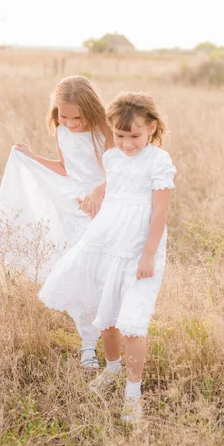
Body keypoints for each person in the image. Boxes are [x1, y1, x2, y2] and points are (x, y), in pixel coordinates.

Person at [39, 92, 176, 422]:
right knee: (107, 315)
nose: (127, 144)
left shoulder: (159, 162)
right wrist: (96, 196)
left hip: (141, 250)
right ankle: (112, 370)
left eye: (135, 136)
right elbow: (113, 188)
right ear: (111, 131)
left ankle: (133, 392)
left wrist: (148, 255)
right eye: (120, 135)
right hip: (108, 239)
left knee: (133, 323)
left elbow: (159, 212)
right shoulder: (113, 158)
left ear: (152, 128)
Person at [0, 75, 113, 369]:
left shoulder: (105, 131)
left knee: (104, 273)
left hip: (104, 204)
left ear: (90, 109)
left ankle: (113, 337)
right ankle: (88, 343)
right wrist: (32, 158)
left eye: (75, 117)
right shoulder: (62, 131)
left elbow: (117, 172)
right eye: (62, 116)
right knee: (79, 271)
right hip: (73, 205)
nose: (68, 123)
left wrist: (97, 192)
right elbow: (66, 168)